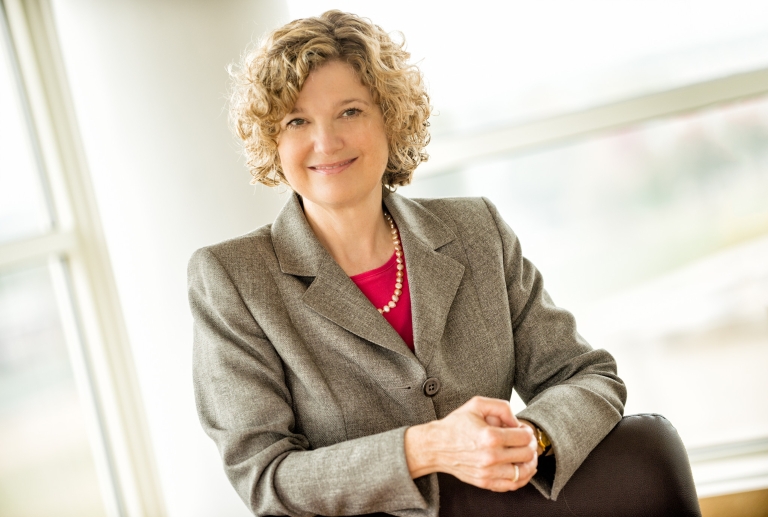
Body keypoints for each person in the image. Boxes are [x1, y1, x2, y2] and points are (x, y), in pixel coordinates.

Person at [188, 10, 626, 517]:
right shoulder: (232, 278)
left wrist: (533, 437)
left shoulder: (476, 229)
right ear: (273, 140)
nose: (325, 142)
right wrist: (431, 447)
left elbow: (588, 376)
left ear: (391, 118)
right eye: (296, 120)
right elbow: (266, 479)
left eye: (350, 111)